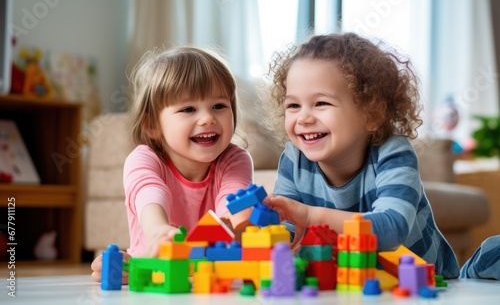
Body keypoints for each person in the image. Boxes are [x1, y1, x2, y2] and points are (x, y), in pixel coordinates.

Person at [261, 33, 460, 278]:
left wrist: (310, 216)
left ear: (371, 113)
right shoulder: (294, 158)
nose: (303, 118)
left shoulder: (393, 152)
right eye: (293, 105)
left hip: (422, 282)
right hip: (351, 281)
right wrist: (262, 230)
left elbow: (392, 229)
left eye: (321, 103)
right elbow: (290, 228)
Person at [91, 46, 253, 283]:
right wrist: (158, 230)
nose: (208, 118)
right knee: (105, 266)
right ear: (152, 125)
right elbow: (149, 193)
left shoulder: (235, 159)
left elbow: (232, 209)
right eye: (188, 109)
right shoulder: (145, 158)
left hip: (212, 271)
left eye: (219, 106)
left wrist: (241, 227)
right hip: (158, 265)